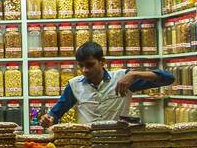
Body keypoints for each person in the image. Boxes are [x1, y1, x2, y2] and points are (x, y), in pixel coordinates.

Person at [38, 42, 173, 128]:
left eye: (90, 65)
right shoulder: (74, 85)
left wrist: (134, 75)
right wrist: (48, 119)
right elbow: (56, 113)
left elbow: (168, 79)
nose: (85, 70)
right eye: (81, 66)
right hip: (87, 144)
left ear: (102, 62)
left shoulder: (122, 79)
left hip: (118, 142)